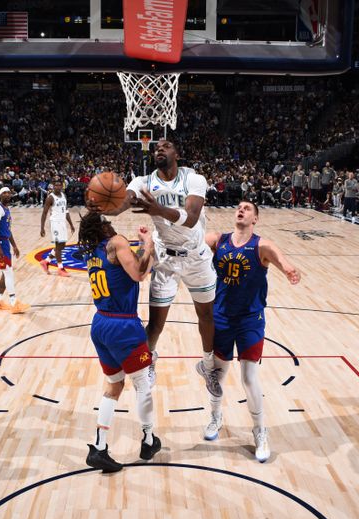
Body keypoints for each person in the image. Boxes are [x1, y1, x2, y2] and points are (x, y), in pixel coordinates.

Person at [102, 138, 221, 396]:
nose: (159, 148)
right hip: (166, 259)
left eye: (165, 146)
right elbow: (124, 202)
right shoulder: (143, 182)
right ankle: (148, 362)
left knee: (206, 316)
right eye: (156, 147)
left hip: (195, 258)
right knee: (155, 324)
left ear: (176, 153)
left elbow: (190, 219)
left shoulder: (193, 178)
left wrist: (157, 208)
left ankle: (208, 365)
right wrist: (107, 207)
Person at [203, 201, 301, 461]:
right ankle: (215, 418)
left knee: (249, 378)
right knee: (217, 376)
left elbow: (281, 260)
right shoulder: (218, 240)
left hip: (250, 320)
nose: (241, 209)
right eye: (238, 207)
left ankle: (260, 431)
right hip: (222, 317)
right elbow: (191, 243)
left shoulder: (262, 246)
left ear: (255, 218)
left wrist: (289, 269)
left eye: (247, 208)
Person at [79, 211, 161, 472]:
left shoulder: (94, 252)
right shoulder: (116, 242)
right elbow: (138, 273)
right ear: (104, 227)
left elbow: (136, 269)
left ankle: (100, 447)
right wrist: (146, 244)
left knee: (114, 385)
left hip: (100, 323)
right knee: (143, 383)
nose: (112, 224)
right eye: (108, 222)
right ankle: (148, 440)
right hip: (123, 325)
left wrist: (143, 249)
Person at [0, 187, 30, 313]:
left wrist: (15, 246)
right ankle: (13, 302)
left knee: (5, 273)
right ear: (0, 195)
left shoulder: (7, 209)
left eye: (8, 192)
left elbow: (8, 230)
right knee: (8, 273)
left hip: (5, 242)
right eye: (4, 193)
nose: (7, 194)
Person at [39, 179, 75, 277]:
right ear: (53, 186)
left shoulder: (64, 196)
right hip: (55, 223)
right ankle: (60, 268)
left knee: (62, 246)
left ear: (62, 186)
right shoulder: (50, 198)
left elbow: (66, 211)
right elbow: (44, 213)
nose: (58, 187)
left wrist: (71, 224)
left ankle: (46, 262)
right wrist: (42, 227)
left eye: (60, 185)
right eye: (56, 185)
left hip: (62, 222)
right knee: (58, 246)